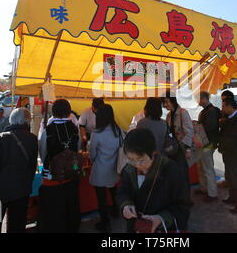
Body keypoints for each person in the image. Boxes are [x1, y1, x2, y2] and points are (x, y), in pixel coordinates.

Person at [117, 128, 191, 232]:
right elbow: (122, 191)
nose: (137, 165)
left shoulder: (171, 170)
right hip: (136, 228)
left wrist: (161, 219)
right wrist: (126, 204)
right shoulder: (128, 170)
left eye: (141, 160)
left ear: (153, 153)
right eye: (131, 159)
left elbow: (183, 206)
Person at [37, 99, 81, 233]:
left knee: (54, 209)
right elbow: (78, 149)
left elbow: (42, 152)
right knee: (71, 205)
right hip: (71, 174)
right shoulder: (74, 127)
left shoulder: (48, 129)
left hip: (52, 177)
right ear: (69, 111)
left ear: (53, 111)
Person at [89, 104, 122, 232]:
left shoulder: (96, 133)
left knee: (101, 198)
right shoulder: (117, 130)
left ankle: (105, 223)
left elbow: (92, 154)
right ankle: (115, 212)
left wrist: (93, 160)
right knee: (113, 193)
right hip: (114, 168)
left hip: (100, 170)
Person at [218, 97, 237, 214]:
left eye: (224, 106)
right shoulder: (229, 118)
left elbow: (235, 140)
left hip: (235, 154)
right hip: (228, 154)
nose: (223, 109)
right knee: (231, 178)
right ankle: (233, 198)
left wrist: (224, 148)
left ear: (231, 106)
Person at [162, 92, 193, 205]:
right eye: (163, 103)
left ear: (173, 101)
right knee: (175, 175)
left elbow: (189, 131)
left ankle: (186, 200)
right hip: (172, 149)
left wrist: (188, 148)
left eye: (166, 102)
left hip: (181, 148)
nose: (165, 105)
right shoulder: (169, 115)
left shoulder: (183, 113)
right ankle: (178, 198)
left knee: (183, 175)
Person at [190, 91, 220, 203]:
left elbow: (210, 128)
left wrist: (197, 126)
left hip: (209, 143)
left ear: (204, 99)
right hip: (204, 143)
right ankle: (204, 188)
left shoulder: (211, 111)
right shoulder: (206, 111)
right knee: (201, 166)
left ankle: (212, 193)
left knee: (208, 167)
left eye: (197, 99)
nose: (197, 102)